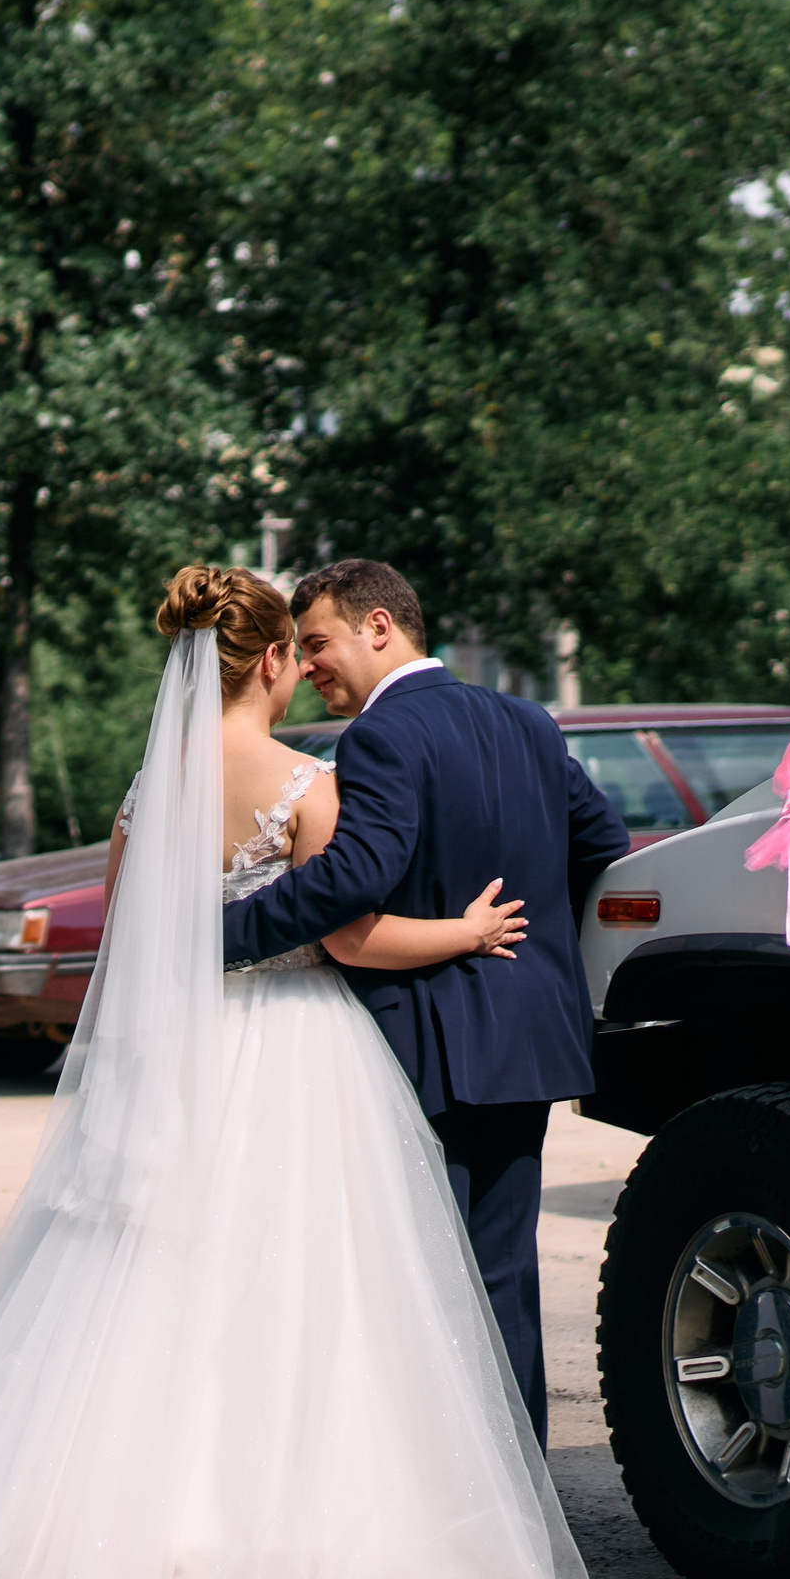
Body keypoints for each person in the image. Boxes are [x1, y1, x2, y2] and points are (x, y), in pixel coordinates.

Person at [0, 567, 594, 1579]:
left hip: (185, 1045)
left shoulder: (147, 791)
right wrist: (475, 936)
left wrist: (187, 952)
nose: (309, 671)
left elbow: (129, 931)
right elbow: (346, 934)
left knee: (160, 1277)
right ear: (273, 660)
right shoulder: (307, 781)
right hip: (302, 1042)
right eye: (300, 652)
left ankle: (105, 1510)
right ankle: (390, 1507)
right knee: (320, 1291)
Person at [220, 558, 629, 1442]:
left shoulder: (379, 736)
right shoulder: (525, 718)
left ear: (379, 626)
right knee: (501, 1271)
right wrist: (540, 944)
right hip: (526, 1036)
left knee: (416, 1275)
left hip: (422, 1036)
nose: (311, 663)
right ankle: (518, 1488)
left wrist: (208, 941)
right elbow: (603, 839)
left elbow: (352, 880)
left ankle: (444, 1488)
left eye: (319, 642)